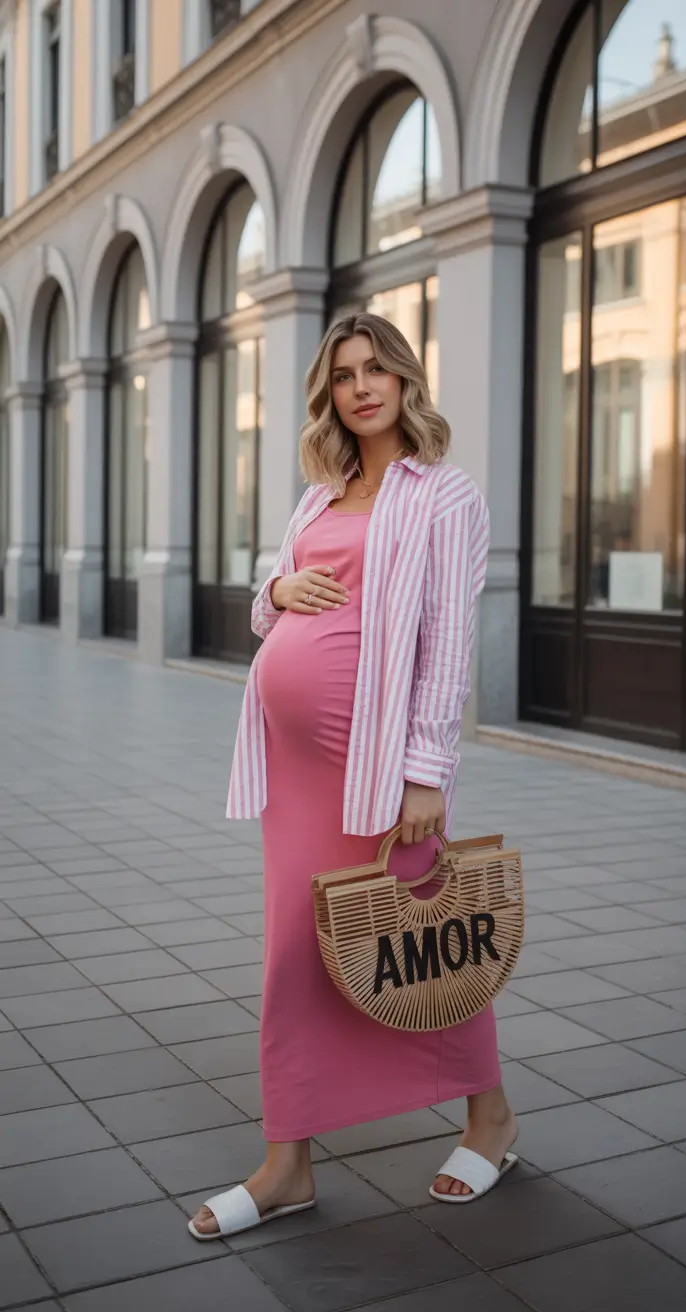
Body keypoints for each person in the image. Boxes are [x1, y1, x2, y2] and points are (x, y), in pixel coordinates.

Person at [189, 313, 517, 1241]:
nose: (361, 386)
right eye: (343, 375)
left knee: (423, 947)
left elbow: (447, 643)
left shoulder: (444, 495)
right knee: (295, 954)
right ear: (328, 394)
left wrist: (427, 773)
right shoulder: (318, 495)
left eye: (376, 368)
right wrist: (277, 593)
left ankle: (491, 1122)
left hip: (377, 767)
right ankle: (288, 1164)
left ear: (406, 379)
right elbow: (274, 602)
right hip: (295, 772)